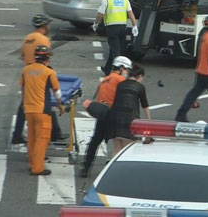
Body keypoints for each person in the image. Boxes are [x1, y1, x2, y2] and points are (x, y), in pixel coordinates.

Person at [12, 14, 68, 144]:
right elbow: (46, 56)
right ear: (44, 26)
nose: (49, 27)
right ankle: (54, 133)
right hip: (40, 74)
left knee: (25, 105)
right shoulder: (43, 40)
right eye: (48, 24)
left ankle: (18, 134)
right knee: (45, 103)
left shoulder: (27, 38)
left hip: (28, 73)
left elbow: (22, 55)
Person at [80, 56, 131, 178]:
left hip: (102, 114)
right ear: (121, 68)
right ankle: (112, 170)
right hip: (115, 114)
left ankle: (86, 167)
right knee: (117, 143)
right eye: (127, 70)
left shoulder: (104, 80)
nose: (127, 73)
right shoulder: (121, 81)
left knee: (95, 141)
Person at [21, 45, 63, 176]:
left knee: (32, 139)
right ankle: (37, 168)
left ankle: (32, 163)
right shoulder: (49, 72)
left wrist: (24, 104)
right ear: (48, 58)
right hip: (42, 111)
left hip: (28, 109)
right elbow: (57, 92)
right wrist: (60, 105)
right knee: (42, 139)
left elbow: (23, 88)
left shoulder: (26, 70)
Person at [93, 0, 138, 76]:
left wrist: (96, 24)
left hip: (112, 29)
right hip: (123, 28)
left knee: (116, 53)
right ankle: (107, 69)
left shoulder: (107, 0)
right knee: (114, 49)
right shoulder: (125, 0)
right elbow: (130, 13)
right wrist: (134, 26)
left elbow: (100, 14)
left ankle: (119, 73)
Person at [106, 63, 150, 156]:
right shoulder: (140, 87)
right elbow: (145, 105)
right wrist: (148, 120)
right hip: (129, 118)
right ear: (140, 76)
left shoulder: (120, 85)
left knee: (117, 149)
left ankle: (114, 168)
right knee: (127, 150)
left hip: (115, 118)